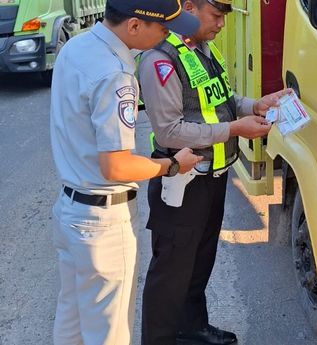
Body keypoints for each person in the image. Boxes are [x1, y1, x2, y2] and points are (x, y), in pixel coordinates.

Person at [137, 0, 290, 344]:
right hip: (182, 180)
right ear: (189, 7)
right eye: (216, 15)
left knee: (198, 263)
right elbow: (169, 132)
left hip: (213, 178)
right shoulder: (160, 59)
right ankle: (160, 338)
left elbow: (222, 100)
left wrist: (256, 105)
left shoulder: (202, 49)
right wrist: (235, 128)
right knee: (171, 273)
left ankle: (192, 329)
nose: (222, 24)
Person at [49, 1, 202, 344]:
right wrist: (173, 164)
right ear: (134, 26)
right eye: (164, 29)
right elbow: (116, 165)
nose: (168, 37)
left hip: (71, 211)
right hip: (102, 223)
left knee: (71, 321)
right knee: (110, 334)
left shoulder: (77, 47)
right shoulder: (115, 74)